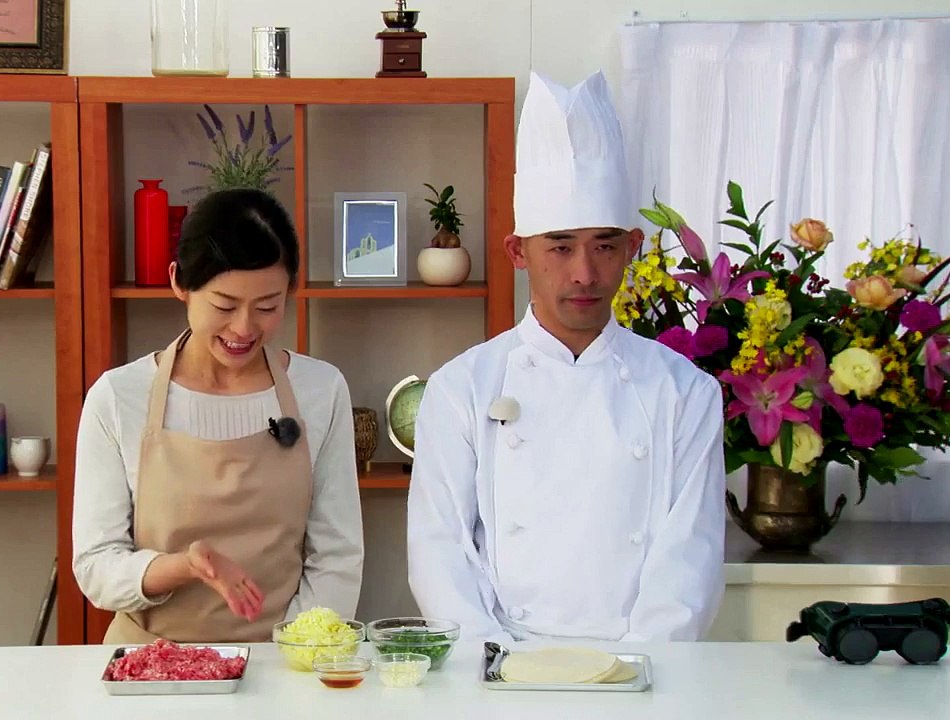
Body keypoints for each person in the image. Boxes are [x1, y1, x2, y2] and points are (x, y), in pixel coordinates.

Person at [406, 70, 726, 644]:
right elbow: (440, 550)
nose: (584, 272)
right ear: (518, 252)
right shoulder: (462, 388)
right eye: (559, 247)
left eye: (604, 246)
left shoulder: (684, 391)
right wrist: (498, 664)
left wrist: (632, 670)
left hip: (642, 672)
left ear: (633, 247)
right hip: (500, 669)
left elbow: (690, 560)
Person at [73, 187, 364, 644]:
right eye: (224, 306)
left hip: (282, 661)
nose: (245, 328)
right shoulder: (118, 397)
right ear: (180, 283)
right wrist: (183, 566)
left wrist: (293, 653)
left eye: (267, 306)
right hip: (149, 665)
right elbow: (96, 565)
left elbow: (337, 555)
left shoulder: (320, 390)